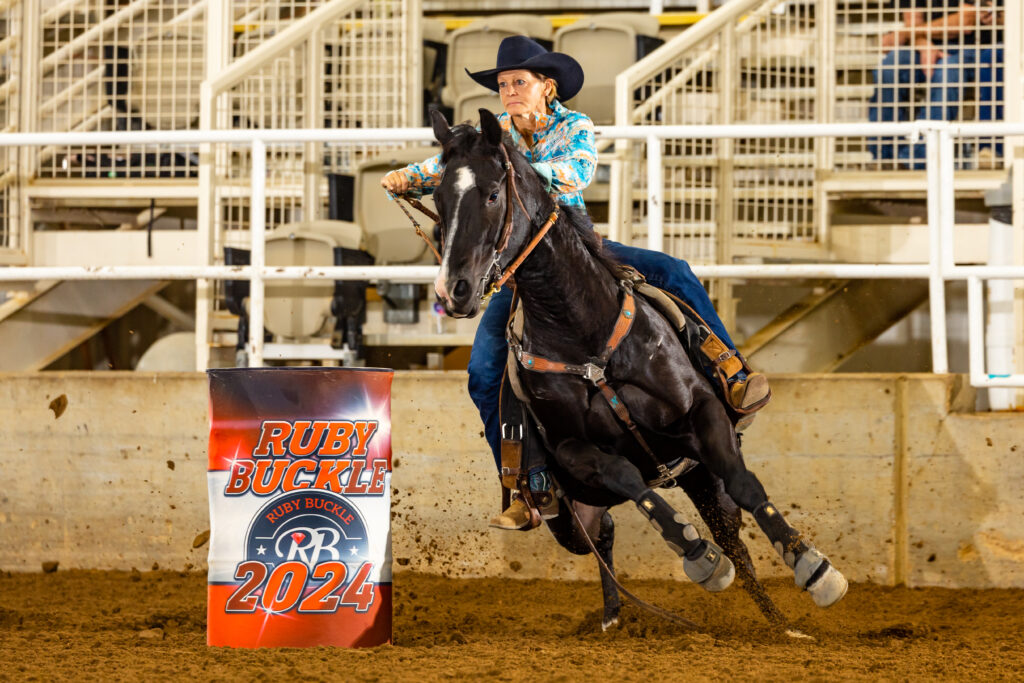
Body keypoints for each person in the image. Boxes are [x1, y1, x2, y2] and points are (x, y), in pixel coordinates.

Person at [382, 36, 769, 530]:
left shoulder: (574, 126)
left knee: (673, 271)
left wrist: (515, 173)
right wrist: (407, 177)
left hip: (577, 252)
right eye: (503, 85)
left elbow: (576, 174)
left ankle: (730, 369)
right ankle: (529, 479)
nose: (510, 92)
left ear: (547, 87)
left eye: (519, 82)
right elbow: (452, 169)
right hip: (520, 270)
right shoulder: (494, 137)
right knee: (484, 371)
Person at [868, 0, 1004, 168]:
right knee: (889, 68)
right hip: (924, 45)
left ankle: (915, 159)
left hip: (971, 49)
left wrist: (905, 34)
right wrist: (925, 46)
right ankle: (883, 158)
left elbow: (964, 22)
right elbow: (913, 22)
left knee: (948, 71)